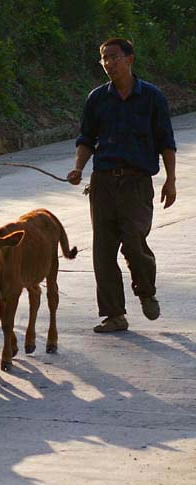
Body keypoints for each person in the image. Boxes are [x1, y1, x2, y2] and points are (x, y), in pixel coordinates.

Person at [67, 37, 177, 333]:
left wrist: (171, 180)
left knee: (133, 242)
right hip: (103, 183)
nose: (108, 63)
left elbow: (166, 141)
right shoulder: (97, 98)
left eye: (113, 57)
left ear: (130, 59)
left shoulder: (152, 98)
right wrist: (78, 167)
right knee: (103, 251)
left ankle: (146, 289)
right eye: (104, 58)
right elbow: (86, 138)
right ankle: (114, 314)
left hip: (137, 184)